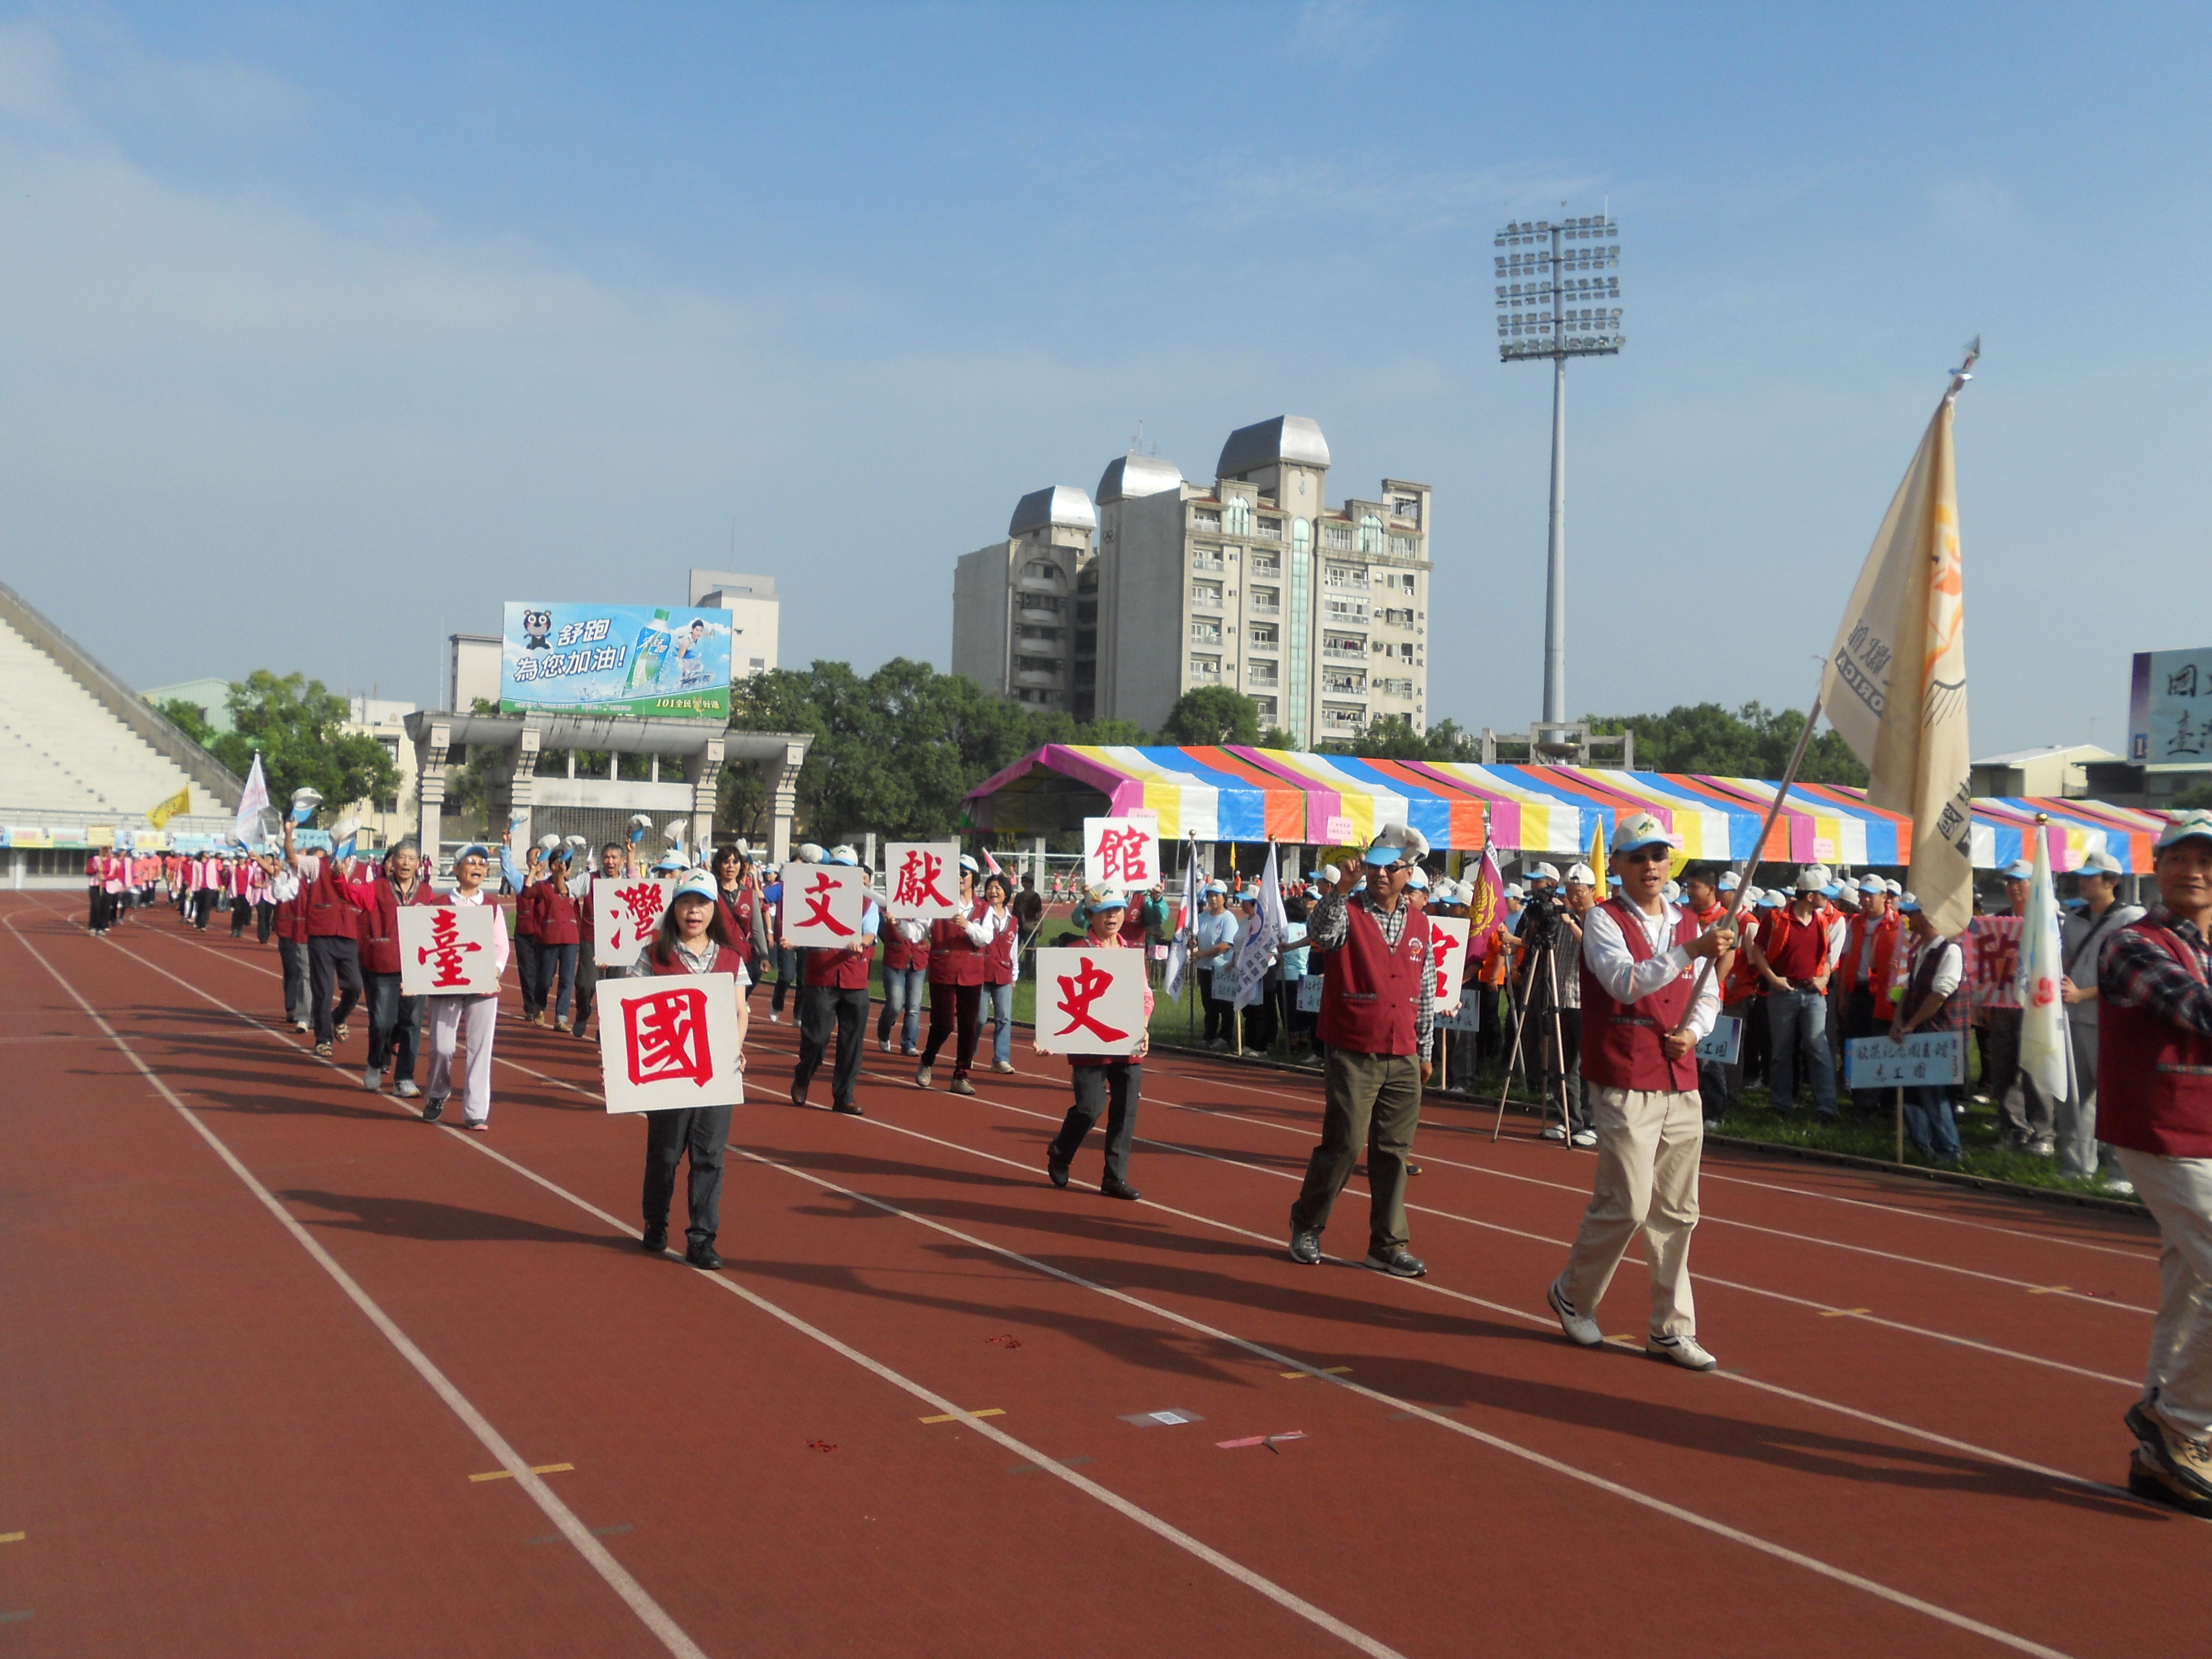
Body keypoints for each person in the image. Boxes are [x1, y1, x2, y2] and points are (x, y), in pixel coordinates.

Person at [1546, 812, 1733, 1371]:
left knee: (1678, 1210)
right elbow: (1623, 983)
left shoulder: (1684, 922)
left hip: (1680, 1078)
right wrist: (1689, 952)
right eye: (1638, 857)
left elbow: (1708, 995)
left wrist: (1693, 1032)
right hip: (1626, 1074)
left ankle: (1670, 1329)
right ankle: (1573, 1293)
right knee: (1626, 1202)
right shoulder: (1604, 921)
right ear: (1620, 866)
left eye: (1658, 856)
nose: (1650, 866)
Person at [2094, 810, 2212, 1517]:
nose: (2194, 871)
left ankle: (2157, 1459)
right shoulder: (2132, 945)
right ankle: (2183, 1421)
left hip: (2205, 1133)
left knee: (2190, 1287)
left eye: (2206, 859)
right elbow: (2195, 1009)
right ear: (2157, 866)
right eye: (2180, 858)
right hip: (2161, 1131)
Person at [1286, 823, 1436, 1279]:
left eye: (1392, 868)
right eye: (1375, 866)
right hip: (1353, 1046)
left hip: (1404, 1052)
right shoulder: (1348, 910)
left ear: (1409, 872)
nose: (1381, 874)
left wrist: (1425, 1048)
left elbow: (1425, 987)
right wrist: (1341, 891)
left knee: (1394, 1151)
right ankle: (1307, 1222)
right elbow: (1322, 936)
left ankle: (1388, 1244)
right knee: (1346, 1143)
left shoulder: (1419, 921)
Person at [641, 871, 752, 1269]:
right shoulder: (653, 955)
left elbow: (740, 1012)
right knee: (666, 1154)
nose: (694, 911)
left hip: (716, 1076)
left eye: (703, 903)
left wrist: (735, 1050)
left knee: (709, 1156)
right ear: (675, 907)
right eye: (687, 902)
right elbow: (632, 1016)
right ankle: (656, 1222)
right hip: (669, 1076)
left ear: (714, 909)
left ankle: (702, 1238)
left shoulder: (730, 959)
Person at [1045, 883, 1151, 1199]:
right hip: (1088, 1040)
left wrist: (1143, 1028)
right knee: (1090, 1108)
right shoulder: (1074, 951)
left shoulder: (1131, 953)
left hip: (1128, 1040)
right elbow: (1056, 999)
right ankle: (1062, 1150)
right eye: (1104, 911)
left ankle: (1114, 1177)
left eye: (1117, 910)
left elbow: (1146, 996)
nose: (1112, 917)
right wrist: (1048, 1036)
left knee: (1125, 1110)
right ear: (1090, 915)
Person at [2054, 849, 2147, 1189]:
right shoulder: (2075, 917)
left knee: (2113, 1099)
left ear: (2112, 882)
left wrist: (2083, 994)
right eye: (2082, 875)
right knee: (2072, 1097)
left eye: (2091, 876)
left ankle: (2122, 1173)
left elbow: (2129, 976)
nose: (2083, 881)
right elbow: (2066, 960)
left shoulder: (2132, 919)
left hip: (2110, 1019)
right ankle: (2076, 1164)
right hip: (2073, 1017)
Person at [420, 842, 510, 1130]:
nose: (478, 868)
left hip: (482, 986)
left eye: (483, 864)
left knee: (480, 1048)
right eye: (471, 862)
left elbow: (500, 947)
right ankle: (437, 1093)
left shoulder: (492, 907)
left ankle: (475, 1111)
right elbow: (423, 945)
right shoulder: (439, 906)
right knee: (442, 1047)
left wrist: (494, 971)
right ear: (456, 869)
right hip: (447, 985)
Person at [1746, 865, 1841, 1119]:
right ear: (1810, 896)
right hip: (1784, 992)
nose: (1828, 898)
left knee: (1818, 1048)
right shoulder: (1776, 918)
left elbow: (1828, 957)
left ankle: (1827, 1106)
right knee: (1782, 1051)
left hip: (1813, 993)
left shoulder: (1821, 921)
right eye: (1824, 894)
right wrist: (1773, 979)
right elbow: (1758, 951)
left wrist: (1823, 979)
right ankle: (1781, 1104)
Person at [790, 845, 878, 1115]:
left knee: (851, 1042)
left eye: (847, 870)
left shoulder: (867, 902)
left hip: (854, 978)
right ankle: (804, 1075)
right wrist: (789, 941)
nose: (841, 874)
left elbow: (871, 932)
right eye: (836, 868)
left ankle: (844, 1095)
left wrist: (861, 942)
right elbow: (798, 931)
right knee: (816, 1038)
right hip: (821, 978)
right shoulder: (811, 895)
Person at [1987, 859, 2059, 1154]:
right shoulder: (1997, 920)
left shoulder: (2049, 919)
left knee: (2035, 1068)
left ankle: (2044, 1132)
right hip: (2002, 1003)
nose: (2014, 886)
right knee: (2003, 1066)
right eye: (2009, 881)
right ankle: (2013, 1128)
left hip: (2037, 1006)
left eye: (2021, 880)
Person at [1887, 894, 1964, 1164]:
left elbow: (1939, 995)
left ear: (1928, 916)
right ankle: (1924, 1146)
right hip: (1916, 1031)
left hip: (1937, 1033)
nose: (1908, 918)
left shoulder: (1950, 950)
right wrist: (1899, 1021)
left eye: (1913, 913)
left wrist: (1910, 1024)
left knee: (1934, 1093)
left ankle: (1949, 1149)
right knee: (1912, 1090)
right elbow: (1908, 990)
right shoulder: (1920, 950)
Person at [917, 855, 1001, 1095]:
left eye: (964, 873)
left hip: (972, 973)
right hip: (943, 970)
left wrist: (967, 925)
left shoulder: (984, 908)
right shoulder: (937, 902)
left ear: (974, 878)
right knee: (943, 1024)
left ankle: (961, 1074)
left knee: (969, 1026)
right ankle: (928, 1060)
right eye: (955, 873)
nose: (959, 878)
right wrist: (899, 922)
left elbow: (986, 937)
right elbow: (918, 931)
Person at [288, 817, 368, 1060]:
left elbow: (369, 902)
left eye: (350, 838)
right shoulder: (317, 864)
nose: (346, 843)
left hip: (350, 936)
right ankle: (323, 1039)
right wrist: (288, 835)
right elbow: (292, 859)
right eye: (342, 839)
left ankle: (339, 1017)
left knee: (355, 987)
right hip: (321, 935)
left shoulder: (366, 871)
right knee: (322, 990)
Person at [359, 838, 431, 1098]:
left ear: (418, 864)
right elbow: (352, 895)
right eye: (402, 857)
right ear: (393, 860)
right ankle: (375, 1062)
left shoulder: (426, 893)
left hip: (417, 966)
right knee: (381, 1022)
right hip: (384, 965)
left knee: (411, 1023)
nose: (406, 863)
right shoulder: (377, 887)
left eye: (412, 859)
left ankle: (405, 1078)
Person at [1535, 864, 1595, 1147]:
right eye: (1569, 893)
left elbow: (1591, 947)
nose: (1572, 899)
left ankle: (1593, 1121)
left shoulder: (1600, 919)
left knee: (1590, 1067)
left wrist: (1571, 920)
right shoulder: (1560, 918)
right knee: (1564, 1064)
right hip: (1560, 999)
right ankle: (1568, 1119)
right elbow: (1537, 944)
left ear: (1592, 892)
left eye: (1579, 893)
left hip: (1587, 1003)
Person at [1681, 865, 1738, 1125]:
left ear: (1711, 889)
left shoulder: (1725, 920)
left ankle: (1715, 1111)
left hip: (1708, 998)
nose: (1689, 892)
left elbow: (1728, 959)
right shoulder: (1684, 915)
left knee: (1709, 1057)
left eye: (1695, 887)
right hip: (1684, 994)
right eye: (1688, 886)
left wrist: (1709, 989)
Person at [573, 841, 629, 1041]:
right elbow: (567, 891)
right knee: (586, 985)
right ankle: (583, 1012)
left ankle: (605, 1027)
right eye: (606, 857)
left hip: (621, 943)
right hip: (592, 939)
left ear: (622, 861)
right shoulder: (590, 879)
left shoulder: (629, 882)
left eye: (615, 858)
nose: (610, 861)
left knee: (614, 988)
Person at [525, 843, 584, 1032]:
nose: (563, 868)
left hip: (571, 938)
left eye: (566, 864)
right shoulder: (543, 887)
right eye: (560, 863)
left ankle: (561, 1018)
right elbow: (526, 893)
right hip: (549, 938)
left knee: (567, 980)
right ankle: (539, 1006)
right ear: (552, 866)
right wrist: (533, 872)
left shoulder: (572, 887)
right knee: (545, 980)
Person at [979, 871, 1020, 1073]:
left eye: (998, 888)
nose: (993, 892)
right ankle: (968, 1052)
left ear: (1007, 893)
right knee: (979, 1018)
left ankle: (1001, 1058)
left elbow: (1014, 949)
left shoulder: (1013, 920)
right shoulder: (980, 914)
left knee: (1004, 1017)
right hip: (980, 972)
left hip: (1004, 973)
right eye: (989, 888)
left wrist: (1015, 975)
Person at [879, 905, 931, 1056]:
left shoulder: (925, 904)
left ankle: (909, 1043)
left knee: (914, 1007)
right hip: (895, 961)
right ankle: (884, 1031)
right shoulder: (890, 904)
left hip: (918, 960)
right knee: (895, 1005)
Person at [1192, 881, 1238, 1047]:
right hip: (1205, 968)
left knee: (1224, 1004)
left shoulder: (1228, 918)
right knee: (1209, 1005)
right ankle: (1209, 1035)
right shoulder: (1203, 917)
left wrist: (1202, 954)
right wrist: (1193, 942)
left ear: (1224, 898)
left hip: (1222, 968)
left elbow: (1226, 944)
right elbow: (1195, 935)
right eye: (1210, 895)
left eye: (1217, 896)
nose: (1213, 899)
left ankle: (1225, 1036)